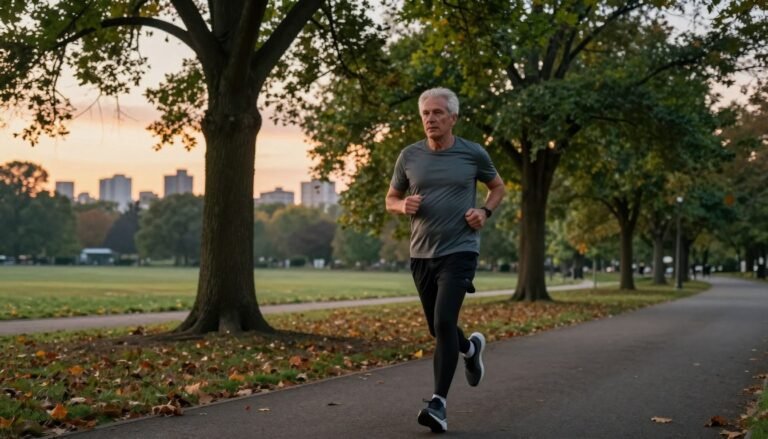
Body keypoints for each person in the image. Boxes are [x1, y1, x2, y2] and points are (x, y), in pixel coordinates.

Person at [385, 87, 505, 433]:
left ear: (453, 118)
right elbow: (391, 197)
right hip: (421, 253)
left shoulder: (473, 154)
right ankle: (470, 348)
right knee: (438, 329)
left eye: (438, 113)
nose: (431, 119)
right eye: (426, 114)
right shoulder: (409, 156)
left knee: (442, 323)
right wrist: (400, 206)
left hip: (460, 250)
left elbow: (497, 188)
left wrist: (484, 211)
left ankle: (438, 404)